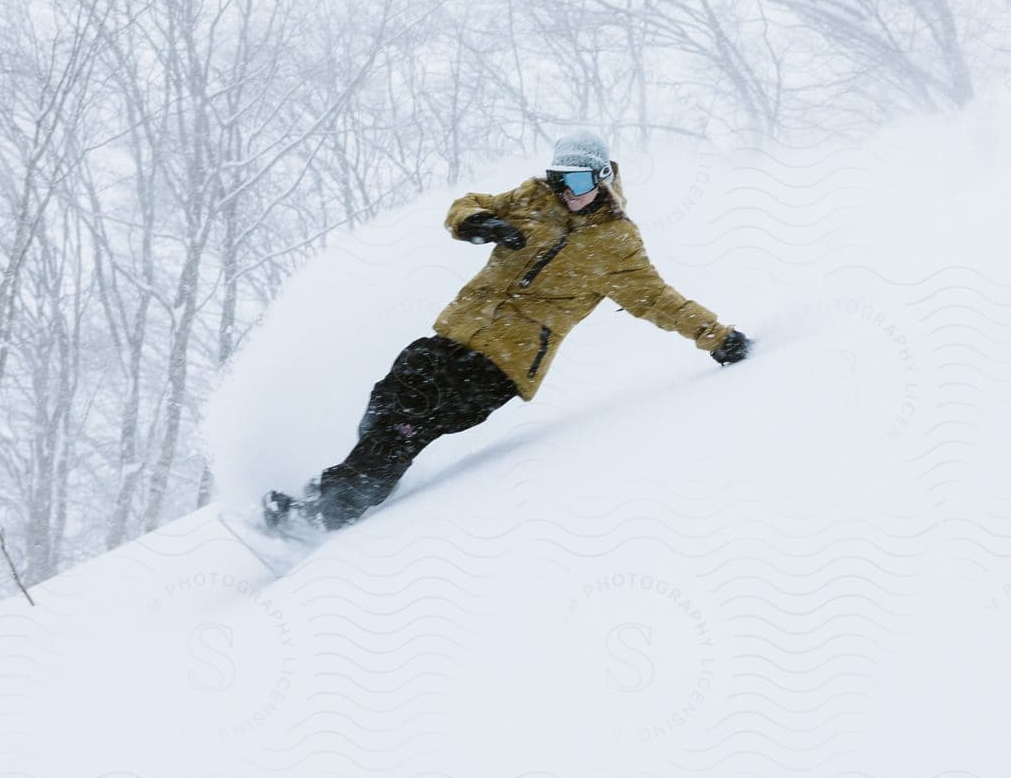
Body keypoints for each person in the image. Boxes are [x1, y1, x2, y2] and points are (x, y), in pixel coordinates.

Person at [263, 129, 751, 533]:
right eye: (558, 178)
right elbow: (467, 203)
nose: (566, 191)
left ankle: (327, 513)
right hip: (454, 334)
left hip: (503, 363)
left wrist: (716, 336)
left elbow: (656, 299)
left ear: (602, 179)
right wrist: (479, 223)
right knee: (386, 403)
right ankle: (343, 483)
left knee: (407, 425)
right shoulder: (532, 198)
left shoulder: (616, 242)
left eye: (577, 180)